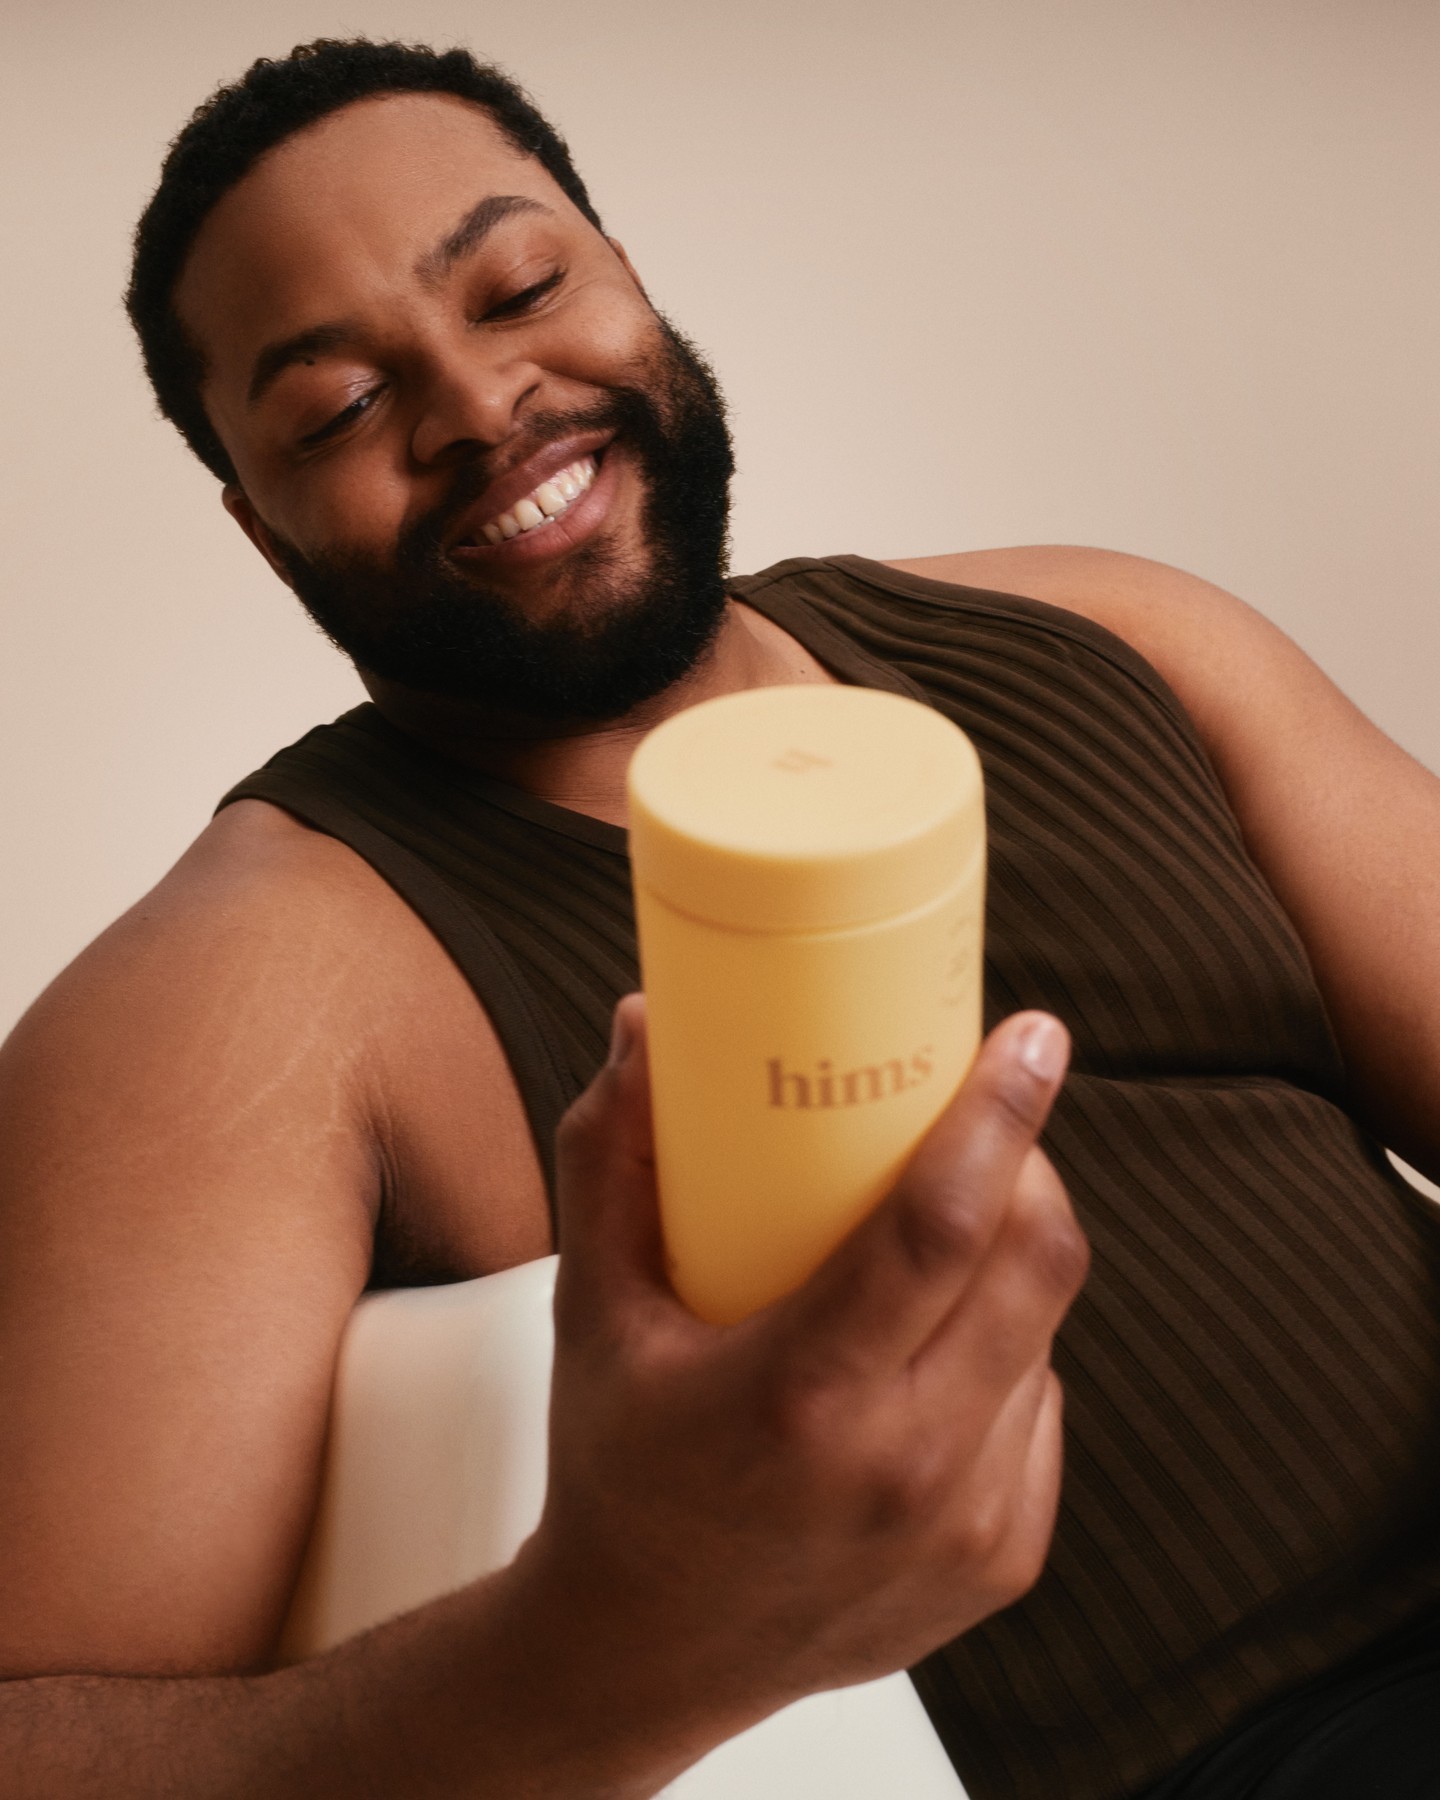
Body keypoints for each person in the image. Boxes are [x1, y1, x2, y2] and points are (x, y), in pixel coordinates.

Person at [1, 35, 1437, 1800]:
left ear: (628, 277)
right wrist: (596, 1649)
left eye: (522, 285)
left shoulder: (1105, 632)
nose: (476, 406)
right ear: (258, 524)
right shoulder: (248, 989)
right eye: (337, 410)